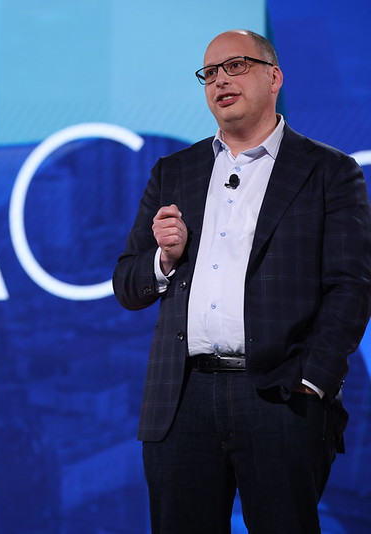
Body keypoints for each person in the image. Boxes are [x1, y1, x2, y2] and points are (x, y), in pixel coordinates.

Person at [113, 29, 371, 533]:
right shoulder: (175, 171)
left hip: (280, 397)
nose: (220, 81)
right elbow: (127, 283)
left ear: (274, 78)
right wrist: (165, 258)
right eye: (210, 73)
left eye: (235, 66)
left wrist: (313, 380)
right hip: (181, 401)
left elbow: (352, 285)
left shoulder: (329, 171)